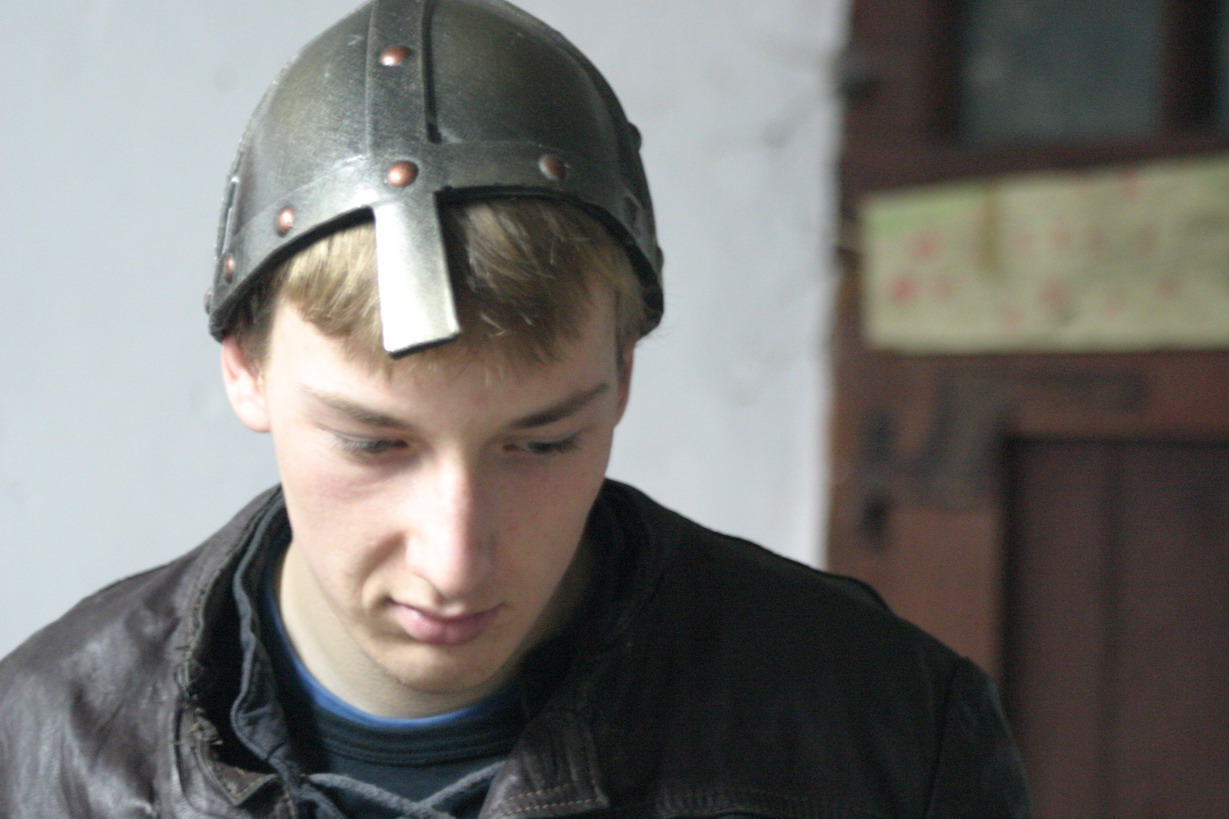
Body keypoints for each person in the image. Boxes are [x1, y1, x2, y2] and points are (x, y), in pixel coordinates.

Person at [0, 0, 1031, 816]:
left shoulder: (889, 728)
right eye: (373, 443)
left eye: (541, 442)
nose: (455, 561)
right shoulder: (36, 745)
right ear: (245, 368)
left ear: (622, 376)